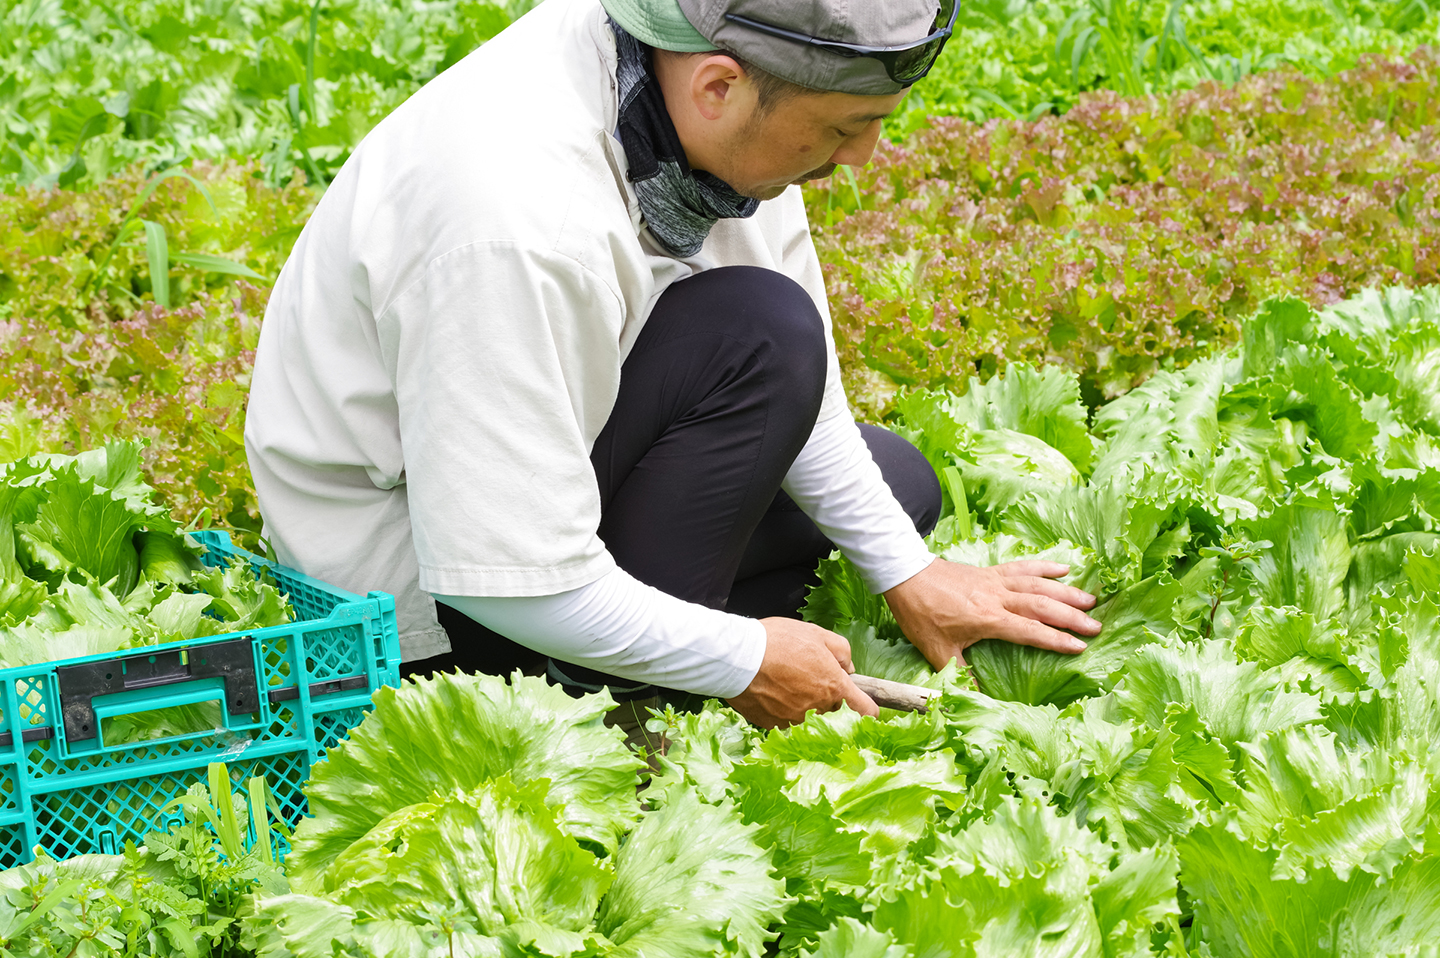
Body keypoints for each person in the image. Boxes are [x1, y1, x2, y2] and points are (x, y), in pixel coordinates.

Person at [244, 0, 1102, 736]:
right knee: (761, 334)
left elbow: (810, 406)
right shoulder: (516, 221)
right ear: (721, 87)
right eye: (846, 127)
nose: (861, 157)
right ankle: (623, 709)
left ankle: (657, 641)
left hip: (542, 472)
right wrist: (743, 659)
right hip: (431, 614)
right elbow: (506, 579)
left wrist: (913, 579)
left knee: (899, 486)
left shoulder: (678, 79)